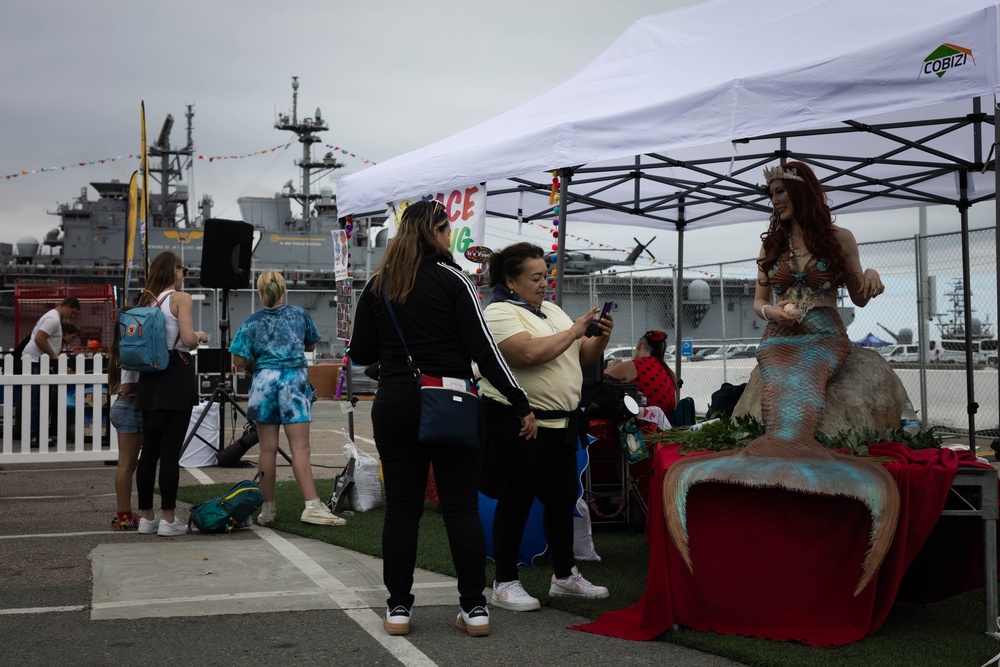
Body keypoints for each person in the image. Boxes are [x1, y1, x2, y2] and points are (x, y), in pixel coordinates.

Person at [661, 161, 895, 593]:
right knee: (776, 365)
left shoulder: (839, 239)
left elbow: (859, 298)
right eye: (771, 196)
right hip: (779, 335)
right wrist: (775, 313)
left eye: (781, 193)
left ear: (802, 194)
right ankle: (783, 448)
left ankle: (795, 448)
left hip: (824, 333)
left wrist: (873, 278)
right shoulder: (773, 244)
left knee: (812, 369)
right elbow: (759, 302)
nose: (775, 202)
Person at [349, 199, 536, 638]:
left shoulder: (378, 283)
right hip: (448, 401)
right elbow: (484, 350)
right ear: (435, 232)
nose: (450, 237)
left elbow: (361, 352)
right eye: (447, 230)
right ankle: (473, 608)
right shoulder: (454, 279)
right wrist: (519, 401)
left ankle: (398, 608)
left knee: (401, 511)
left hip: (394, 402)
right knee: (460, 508)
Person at [478, 242, 612, 614]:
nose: (543, 284)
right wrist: (574, 331)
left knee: (562, 500)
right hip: (522, 421)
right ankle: (504, 582)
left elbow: (584, 356)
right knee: (516, 500)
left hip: (561, 422)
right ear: (509, 280)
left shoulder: (550, 309)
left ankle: (565, 575)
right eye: (535, 277)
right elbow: (528, 354)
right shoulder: (498, 312)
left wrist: (600, 334)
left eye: (546, 276)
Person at [229, 270, 345, 528]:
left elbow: (238, 359)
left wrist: (253, 362)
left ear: (260, 293)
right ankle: (312, 505)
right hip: (293, 384)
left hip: (263, 385)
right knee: (300, 449)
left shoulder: (251, 322)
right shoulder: (299, 315)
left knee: (267, 449)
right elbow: (311, 345)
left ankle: (268, 509)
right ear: (283, 290)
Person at [134, 252, 210, 537]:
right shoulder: (181, 298)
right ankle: (168, 519)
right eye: (182, 268)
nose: (184, 273)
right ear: (172, 270)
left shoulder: (147, 299)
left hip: (149, 377)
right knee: (169, 453)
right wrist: (199, 336)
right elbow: (187, 340)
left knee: (148, 452)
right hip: (175, 375)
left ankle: (146, 516)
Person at [23, 297, 80, 447]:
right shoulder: (53, 319)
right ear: (67, 306)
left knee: (40, 400)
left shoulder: (52, 317)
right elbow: (40, 339)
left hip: (38, 362)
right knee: (36, 401)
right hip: (35, 362)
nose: (72, 317)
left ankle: (37, 434)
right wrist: (54, 357)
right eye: (72, 312)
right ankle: (33, 436)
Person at [108, 326, 142, 531]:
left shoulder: (120, 348)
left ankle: (124, 514)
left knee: (125, 464)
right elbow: (128, 387)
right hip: (130, 406)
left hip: (124, 406)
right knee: (127, 465)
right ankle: (124, 516)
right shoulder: (130, 349)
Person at [604, 329, 677, 419]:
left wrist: (613, 365)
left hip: (643, 424)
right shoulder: (669, 371)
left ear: (639, 344)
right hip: (665, 423)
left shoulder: (634, 365)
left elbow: (599, 380)